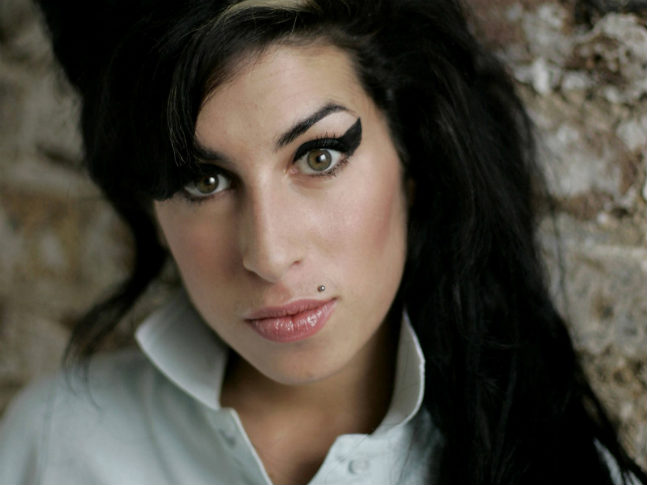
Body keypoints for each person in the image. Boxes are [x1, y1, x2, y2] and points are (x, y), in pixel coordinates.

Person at [0, 0, 644, 484]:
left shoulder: (566, 473)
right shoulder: (56, 447)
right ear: (152, 207)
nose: (269, 255)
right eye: (204, 180)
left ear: (413, 160)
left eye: (319, 157)